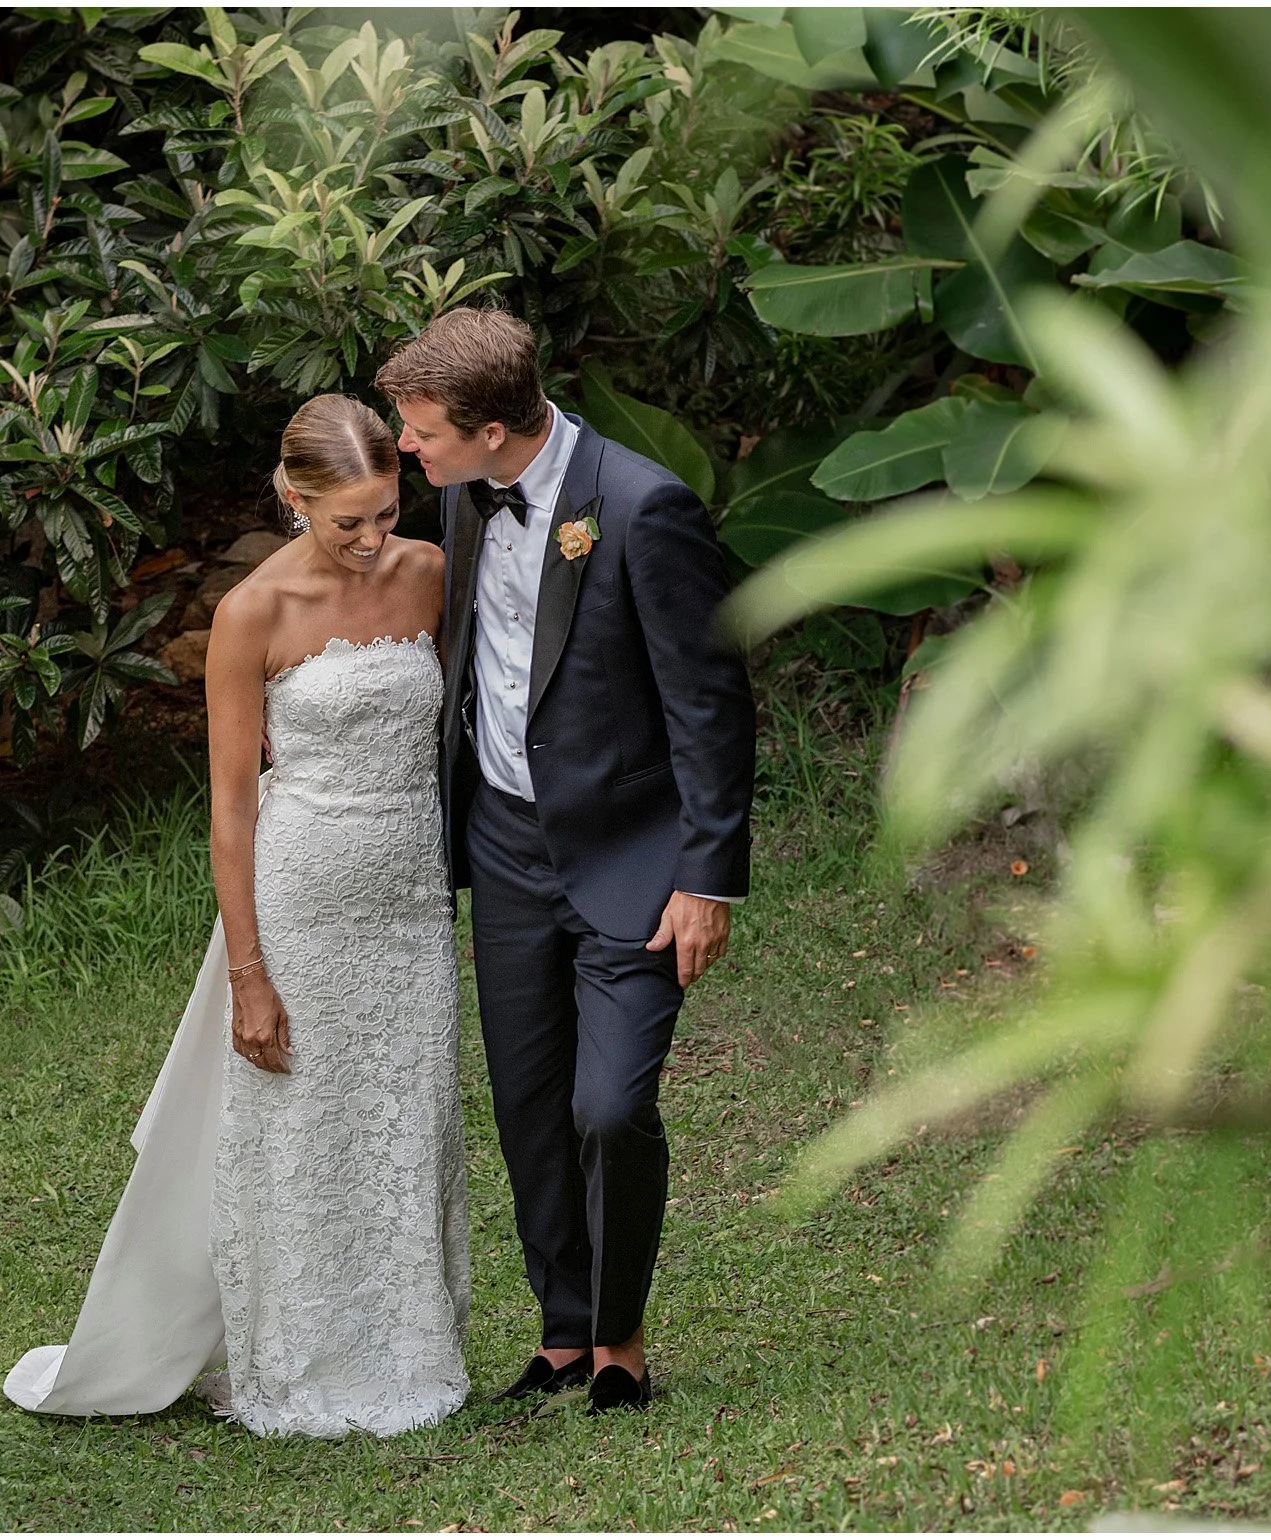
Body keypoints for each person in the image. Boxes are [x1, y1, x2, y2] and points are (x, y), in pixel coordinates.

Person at [4, 395, 471, 1438]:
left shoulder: (429, 574)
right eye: (343, 519)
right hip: (298, 895)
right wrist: (249, 974)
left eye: (384, 514)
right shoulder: (250, 612)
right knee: (300, 1131)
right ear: (291, 496)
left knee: (404, 1116)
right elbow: (228, 805)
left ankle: (409, 1348)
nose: (368, 539)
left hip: (407, 899)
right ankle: (298, 1361)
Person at [376, 308, 755, 1414]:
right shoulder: (462, 492)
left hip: (634, 859)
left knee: (606, 1104)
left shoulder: (642, 509)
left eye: (423, 433)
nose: (408, 451)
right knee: (528, 1102)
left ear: (495, 429)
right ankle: (561, 1328)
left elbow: (709, 707)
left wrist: (707, 876)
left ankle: (620, 1331)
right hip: (501, 843)